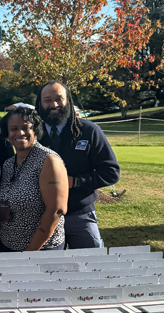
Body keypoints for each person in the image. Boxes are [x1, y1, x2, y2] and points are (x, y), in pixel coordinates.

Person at [36, 81, 120, 248]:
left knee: (91, 265)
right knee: (48, 269)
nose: (54, 104)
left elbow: (111, 172)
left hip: (80, 215)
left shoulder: (89, 131)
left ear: (69, 101)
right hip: (41, 216)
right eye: (47, 100)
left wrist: (75, 181)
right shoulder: (30, 133)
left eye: (59, 99)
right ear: (39, 103)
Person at [0, 106, 69, 252]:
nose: (20, 133)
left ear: (35, 129)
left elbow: (57, 210)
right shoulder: (9, 164)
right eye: (14, 128)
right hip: (9, 248)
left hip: (41, 251)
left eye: (26, 127)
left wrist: (31, 251)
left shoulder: (48, 161)